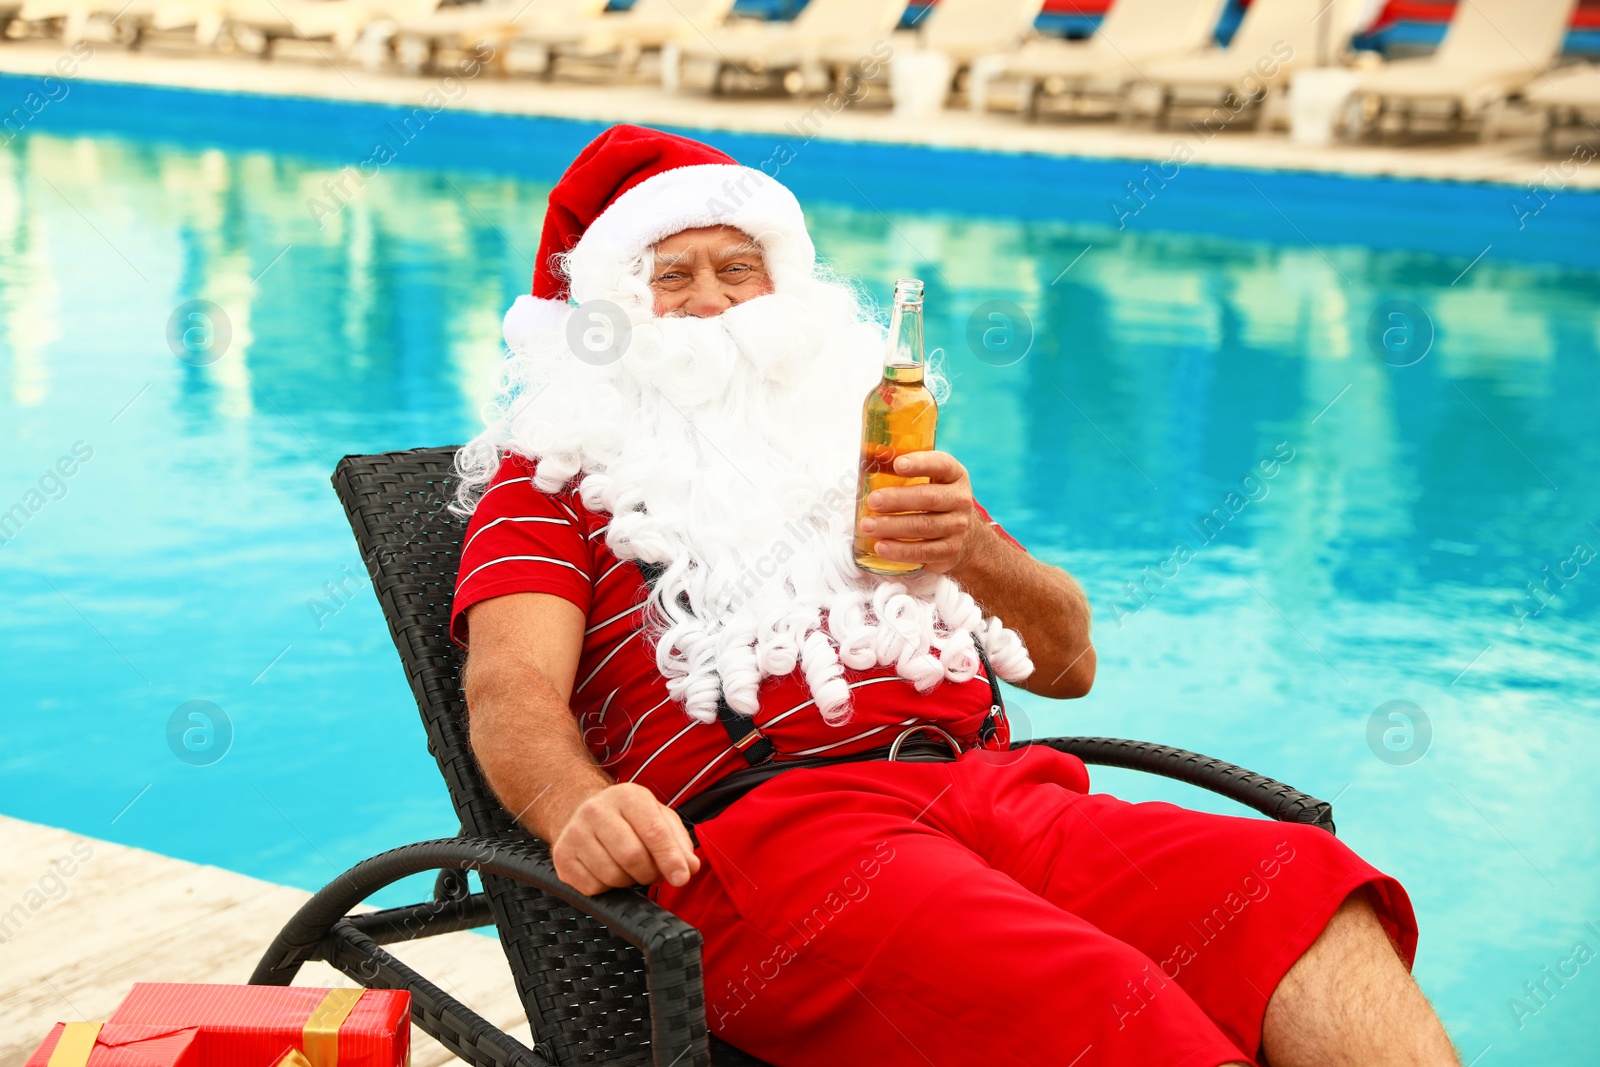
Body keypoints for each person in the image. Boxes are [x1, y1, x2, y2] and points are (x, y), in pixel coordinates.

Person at [449, 124, 1458, 1067]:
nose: (713, 301)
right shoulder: (555, 480)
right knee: (1101, 999)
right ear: (604, 316)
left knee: (1305, 893)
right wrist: (577, 805)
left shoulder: (870, 452)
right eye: (671, 276)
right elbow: (508, 686)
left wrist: (973, 546)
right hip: (782, 847)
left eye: (738, 268)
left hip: (1002, 796)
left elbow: (1068, 661)